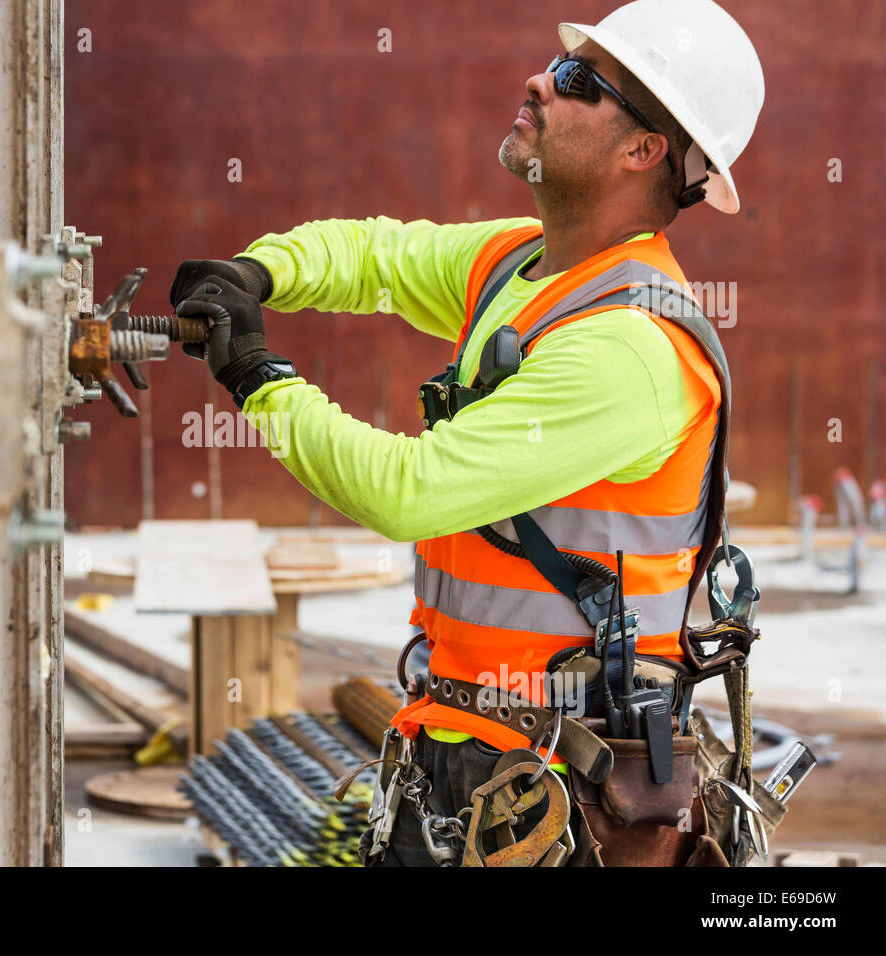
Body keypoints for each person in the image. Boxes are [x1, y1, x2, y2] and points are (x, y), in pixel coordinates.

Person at [170, 0, 764, 866]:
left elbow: (407, 492)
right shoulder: (526, 264)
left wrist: (257, 377)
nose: (539, 80)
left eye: (576, 82)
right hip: (463, 750)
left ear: (643, 151)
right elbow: (378, 256)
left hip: (561, 793)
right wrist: (258, 273)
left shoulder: (631, 348)